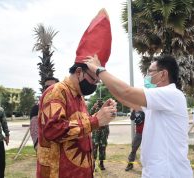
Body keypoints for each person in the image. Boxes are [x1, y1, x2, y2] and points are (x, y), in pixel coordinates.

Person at [36, 9, 116, 178]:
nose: (95, 84)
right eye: (94, 79)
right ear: (79, 72)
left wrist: (101, 114)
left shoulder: (78, 96)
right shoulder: (57, 92)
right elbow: (53, 130)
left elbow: (78, 125)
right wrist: (95, 120)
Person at [84, 54, 193, 178]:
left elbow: (127, 92)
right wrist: (103, 79)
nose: (147, 76)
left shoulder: (171, 94)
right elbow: (124, 98)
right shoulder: (158, 99)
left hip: (169, 172)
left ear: (163, 74)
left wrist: (98, 70)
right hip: (156, 170)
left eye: (150, 72)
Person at [30, 77, 59, 150]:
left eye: (53, 87)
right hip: (45, 152)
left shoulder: (65, 106)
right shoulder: (37, 108)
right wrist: (37, 145)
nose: (50, 89)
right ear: (43, 90)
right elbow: (34, 130)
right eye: (47, 87)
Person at [91, 99, 109, 170]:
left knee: (103, 147)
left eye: (101, 101)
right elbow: (89, 115)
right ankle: (93, 164)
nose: (100, 103)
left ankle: (101, 163)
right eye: (99, 102)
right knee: (94, 147)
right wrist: (93, 107)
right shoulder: (95, 108)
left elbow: (111, 116)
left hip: (104, 131)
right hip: (96, 131)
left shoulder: (106, 109)